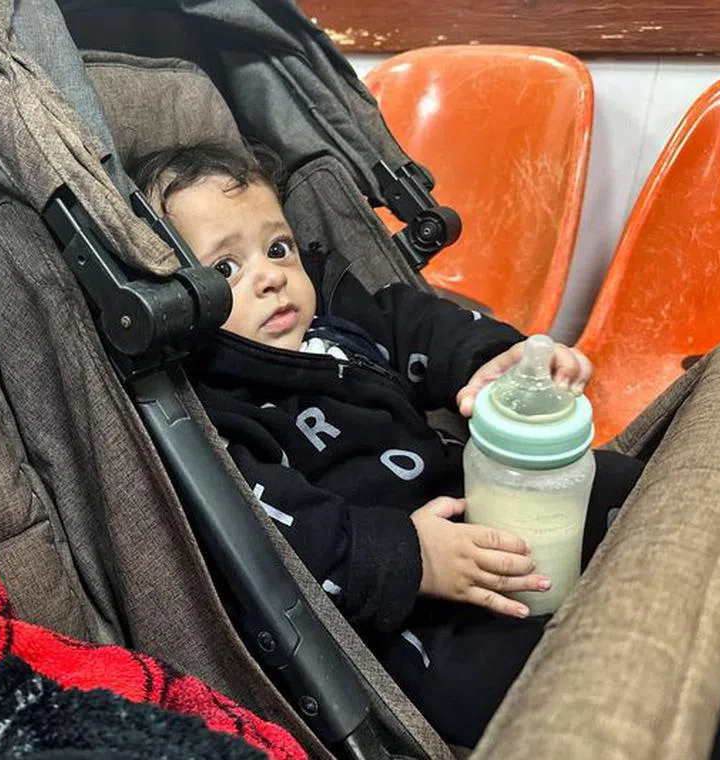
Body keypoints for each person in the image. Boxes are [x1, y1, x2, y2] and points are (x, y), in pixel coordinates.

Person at [129, 142, 647, 747]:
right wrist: (412, 558)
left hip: (468, 495)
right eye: (224, 270)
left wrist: (493, 361)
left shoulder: (343, 320)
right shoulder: (219, 411)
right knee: (474, 682)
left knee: (620, 481)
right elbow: (281, 534)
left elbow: (422, 323)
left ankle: (676, 597)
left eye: (277, 248)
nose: (271, 276)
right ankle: (635, 708)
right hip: (400, 601)